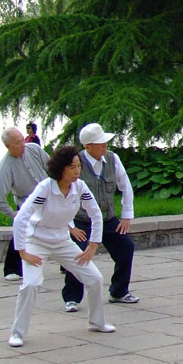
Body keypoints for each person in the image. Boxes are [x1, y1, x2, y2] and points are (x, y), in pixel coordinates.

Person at [8, 146, 115, 347]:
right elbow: (21, 218)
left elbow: (96, 214)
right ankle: (17, 333)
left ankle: (97, 322)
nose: (77, 171)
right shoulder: (45, 188)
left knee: (95, 278)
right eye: (72, 167)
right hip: (36, 242)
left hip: (63, 241)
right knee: (31, 284)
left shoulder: (80, 187)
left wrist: (93, 245)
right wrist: (22, 251)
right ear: (60, 168)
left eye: (79, 166)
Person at [61, 123, 139, 312]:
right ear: (88, 146)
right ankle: (72, 298)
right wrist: (70, 226)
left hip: (107, 218)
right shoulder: (75, 162)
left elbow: (125, 186)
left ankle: (119, 291)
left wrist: (126, 216)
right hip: (81, 220)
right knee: (77, 254)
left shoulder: (112, 159)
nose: (105, 146)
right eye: (101, 143)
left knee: (126, 247)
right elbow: (63, 194)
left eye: (105, 143)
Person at [0, 127, 50, 282]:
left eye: (22, 140)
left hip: (49, 196)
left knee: (63, 226)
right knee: (22, 232)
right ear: (8, 146)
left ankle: (68, 265)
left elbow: (51, 167)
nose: (22, 145)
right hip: (27, 204)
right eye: (18, 143)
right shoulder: (6, 166)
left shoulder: (34, 149)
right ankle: (12, 269)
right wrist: (13, 214)